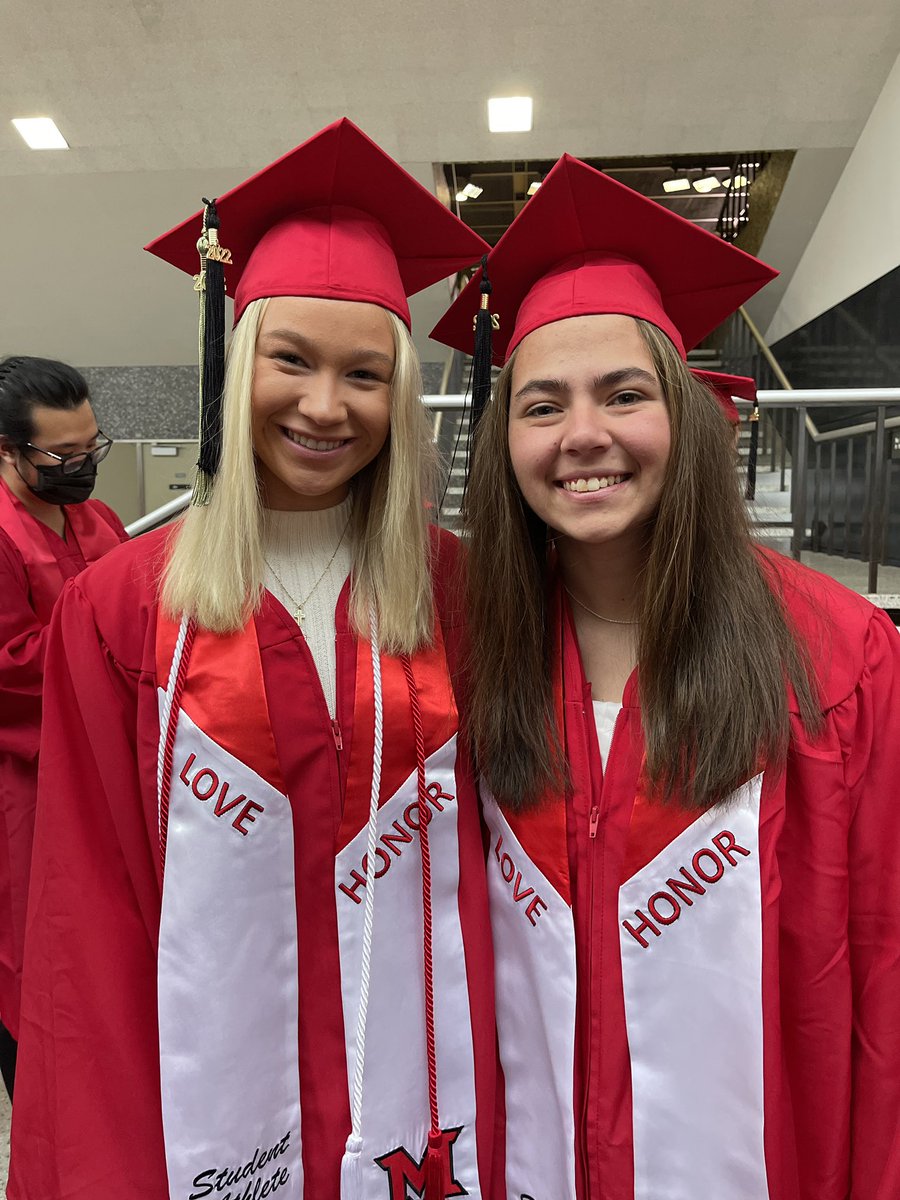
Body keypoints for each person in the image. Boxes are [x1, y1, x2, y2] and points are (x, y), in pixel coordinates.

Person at [9, 120, 496, 1200]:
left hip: (431, 1122)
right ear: (238, 364)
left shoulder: (461, 593)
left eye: (365, 374)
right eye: (292, 360)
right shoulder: (123, 609)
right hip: (208, 1118)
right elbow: (88, 920)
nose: (325, 406)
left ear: (400, 398)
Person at [432, 154, 900, 1200]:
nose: (583, 435)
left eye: (624, 394)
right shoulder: (472, 651)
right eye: (540, 405)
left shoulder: (838, 655)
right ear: (502, 440)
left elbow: (882, 964)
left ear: (684, 417)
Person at [0, 356, 126, 1095]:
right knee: (32, 943)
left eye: (92, 448)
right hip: (28, 780)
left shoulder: (94, 515)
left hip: (103, 765)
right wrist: (105, 627)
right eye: (63, 456)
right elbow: (10, 666)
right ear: (8, 450)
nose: (83, 468)